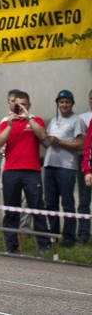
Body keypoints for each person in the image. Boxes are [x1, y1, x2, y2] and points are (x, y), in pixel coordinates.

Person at [0, 91, 51, 255]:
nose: (20, 107)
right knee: (11, 209)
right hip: (11, 170)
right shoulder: (7, 122)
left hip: (31, 171)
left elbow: (43, 135)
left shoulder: (36, 120)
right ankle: (11, 246)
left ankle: (43, 244)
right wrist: (11, 125)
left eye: (24, 104)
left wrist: (28, 118)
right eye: (17, 104)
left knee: (37, 207)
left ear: (29, 105)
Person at [43, 90, 86, 247]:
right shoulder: (53, 121)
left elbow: (81, 144)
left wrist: (59, 142)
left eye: (67, 102)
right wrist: (45, 140)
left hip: (66, 168)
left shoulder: (77, 121)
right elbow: (48, 142)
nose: (64, 104)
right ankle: (52, 236)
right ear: (57, 103)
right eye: (61, 102)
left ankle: (69, 238)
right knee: (50, 203)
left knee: (67, 203)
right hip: (49, 166)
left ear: (72, 104)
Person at [76, 88, 91, 244]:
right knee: (84, 200)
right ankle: (83, 235)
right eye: (91, 98)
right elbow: (80, 144)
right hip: (86, 163)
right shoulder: (81, 118)